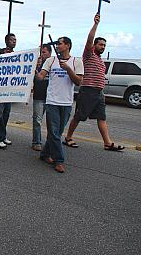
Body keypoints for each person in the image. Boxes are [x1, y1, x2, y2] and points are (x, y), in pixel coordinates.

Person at [64, 15, 124, 151]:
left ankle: (107, 143)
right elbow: (89, 39)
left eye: (104, 45)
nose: (102, 47)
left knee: (101, 117)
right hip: (88, 91)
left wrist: (101, 92)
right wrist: (95, 24)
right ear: (94, 45)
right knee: (79, 116)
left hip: (98, 93)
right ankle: (68, 138)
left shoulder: (101, 61)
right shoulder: (89, 55)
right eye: (100, 44)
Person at [36, 37, 83, 173]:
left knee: (57, 132)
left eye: (60, 43)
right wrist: (34, 69)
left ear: (67, 45)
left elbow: (78, 81)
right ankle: (59, 160)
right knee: (54, 132)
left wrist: (68, 69)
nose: (57, 46)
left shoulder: (76, 62)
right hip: (52, 101)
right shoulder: (51, 60)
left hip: (66, 102)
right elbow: (41, 77)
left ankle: (45, 154)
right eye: (56, 43)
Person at [0, 33, 16, 149]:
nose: (14, 42)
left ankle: (3, 135)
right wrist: (3, 55)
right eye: (12, 40)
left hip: (9, 90)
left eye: (15, 40)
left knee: (6, 113)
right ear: (6, 41)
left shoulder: (16, 54)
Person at [31, 44, 52, 151]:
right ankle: (36, 141)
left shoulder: (53, 64)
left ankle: (50, 144)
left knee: (51, 123)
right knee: (37, 120)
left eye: (44, 52)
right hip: (38, 96)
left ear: (49, 53)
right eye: (40, 52)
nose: (42, 55)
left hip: (51, 98)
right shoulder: (36, 63)